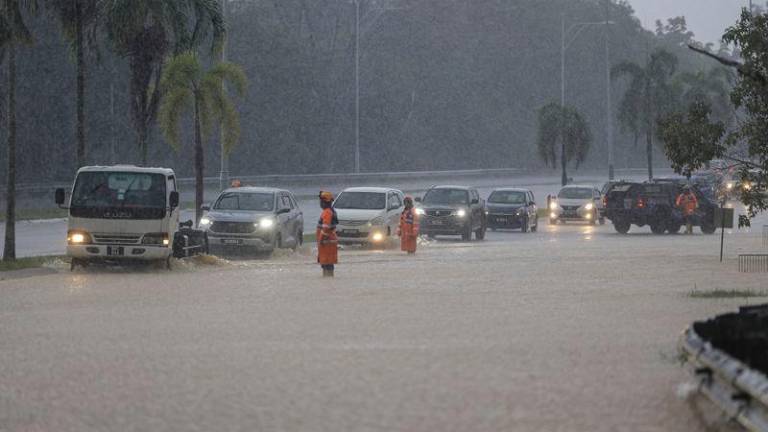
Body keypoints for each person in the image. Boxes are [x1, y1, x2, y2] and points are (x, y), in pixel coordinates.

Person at [316, 191, 338, 277]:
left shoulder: (327, 212)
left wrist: (321, 239)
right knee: (328, 264)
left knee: (326, 264)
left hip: (326, 242)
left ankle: (327, 281)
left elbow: (326, 228)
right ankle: (329, 281)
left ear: (324, 202)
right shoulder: (330, 211)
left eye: (321, 201)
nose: (320, 203)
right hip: (329, 241)